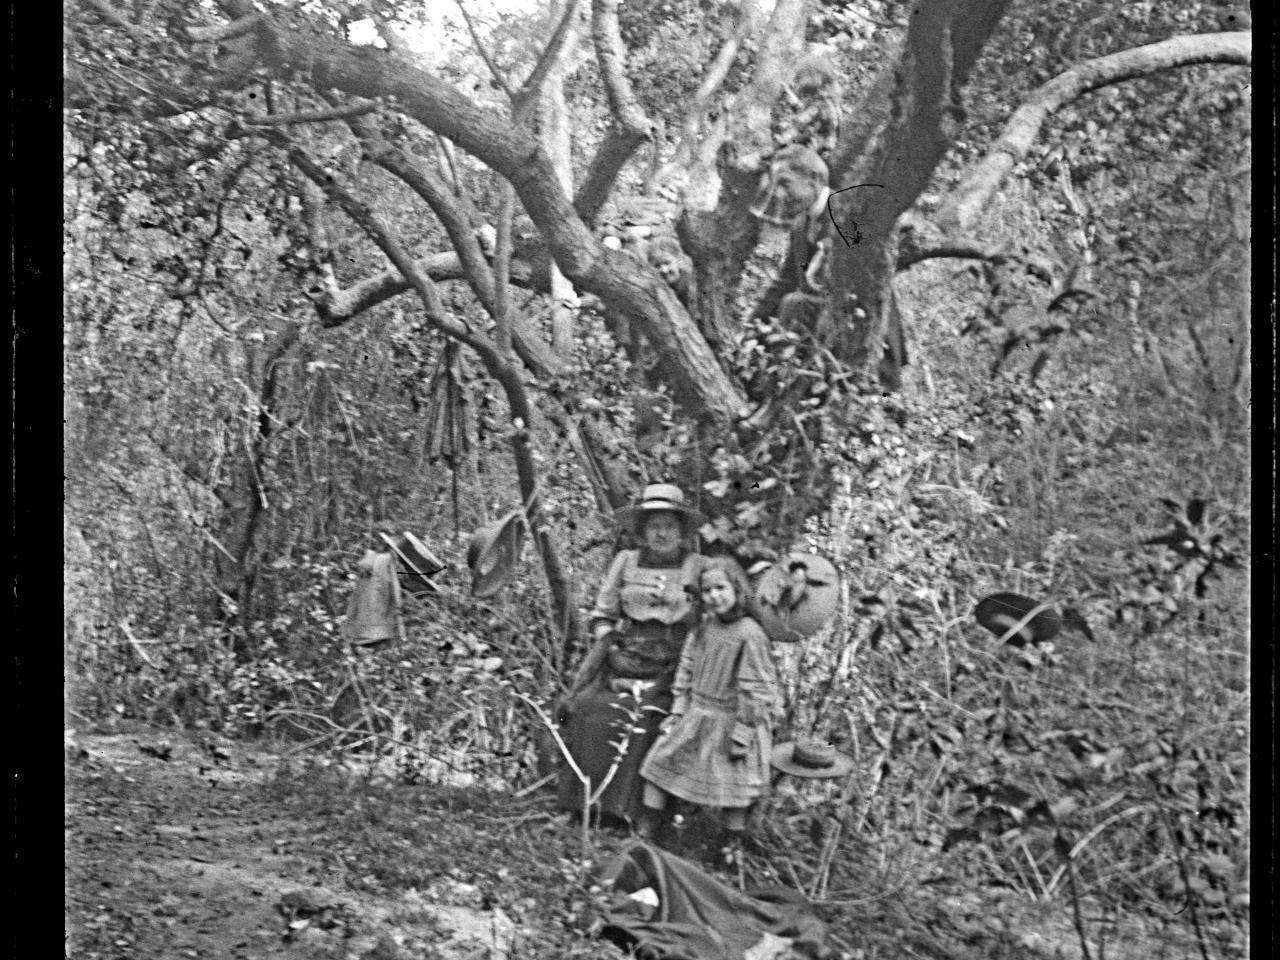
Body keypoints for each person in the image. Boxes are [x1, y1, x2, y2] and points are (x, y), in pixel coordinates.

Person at [555, 484, 706, 827]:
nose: (662, 533)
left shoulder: (699, 566)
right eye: (654, 526)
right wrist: (608, 648)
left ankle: (633, 814)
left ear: (682, 530)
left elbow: (710, 619)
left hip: (676, 662)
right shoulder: (625, 562)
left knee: (649, 717)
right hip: (626, 657)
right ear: (642, 530)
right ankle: (581, 806)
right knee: (591, 708)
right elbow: (603, 615)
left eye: (669, 525)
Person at [637, 557, 782, 847]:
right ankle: (646, 835)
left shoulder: (750, 633)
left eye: (721, 588)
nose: (714, 596)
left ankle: (730, 850)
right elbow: (686, 670)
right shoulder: (703, 628)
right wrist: (678, 712)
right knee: (658, 766)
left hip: (733, 721)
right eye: (707, 591)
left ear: (737, 589)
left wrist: (743, 733)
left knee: (734, 792)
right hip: (697, 715)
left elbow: (758, 690)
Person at [341, 521, 406, 650]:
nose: (377, 543)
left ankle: (376, 640)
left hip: (380, 598)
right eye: (377, 540)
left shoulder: (387, 557)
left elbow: (395, 582)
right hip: (370, 599)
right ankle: (366, 640)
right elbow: (363, 568)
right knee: (369, 618)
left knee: (379, 621)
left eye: (381, 541)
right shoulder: (374, 555)